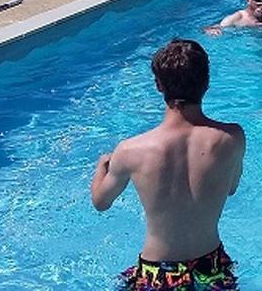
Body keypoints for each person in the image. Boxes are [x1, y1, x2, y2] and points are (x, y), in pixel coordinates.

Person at [90, 39, 245, 291]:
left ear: (158, 85)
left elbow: (101, 202)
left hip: (158, 272)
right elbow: (231, 188)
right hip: (212, 268)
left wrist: (102, 167)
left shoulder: (130, 150)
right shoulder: (233, 137)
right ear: (206, 82)